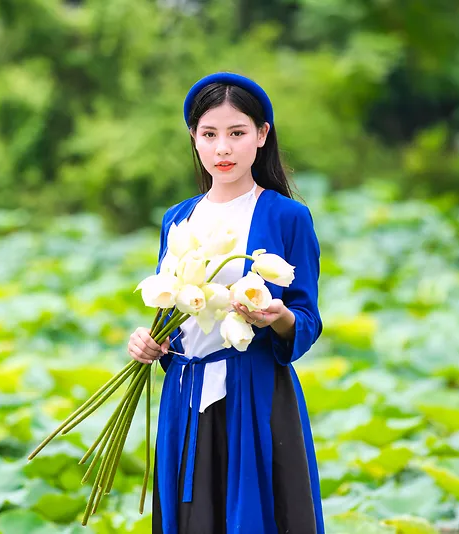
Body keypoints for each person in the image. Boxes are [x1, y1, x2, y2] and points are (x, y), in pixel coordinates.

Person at [127, 72, 324, 534]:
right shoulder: (178, 218)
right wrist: (148, 342)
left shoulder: (287, 216)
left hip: (254, 394)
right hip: (185, 395)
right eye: (209, 134)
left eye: (237, 133)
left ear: (261, 135)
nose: (223, 149)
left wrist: (280, 318)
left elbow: (308, 319)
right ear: (194, 138)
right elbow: (172, 312)